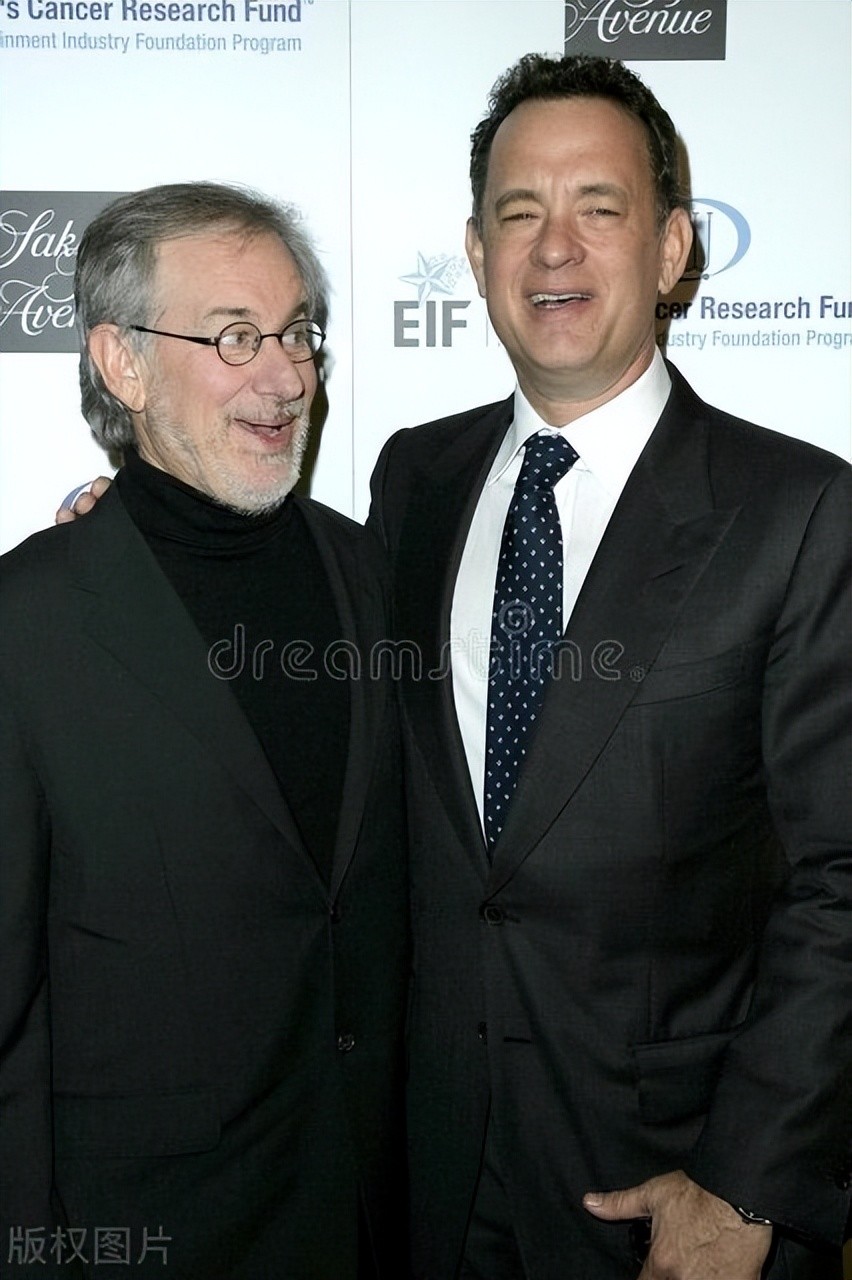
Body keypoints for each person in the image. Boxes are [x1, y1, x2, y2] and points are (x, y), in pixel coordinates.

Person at [367, 54, 852, 1279]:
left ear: (674, 246)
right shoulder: (413, 480)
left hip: (674, 1200)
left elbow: (843, 878)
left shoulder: (799, 510)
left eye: (599, 207)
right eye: (518, 212)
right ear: (475, 252)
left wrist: (748, 1185)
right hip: (426, 1182)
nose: (554, 247)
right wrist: (144, 523)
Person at [0, 182, 408, 1280]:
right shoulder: (27, 624)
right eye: (234, 336)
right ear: (122, 365)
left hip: (377, 1216)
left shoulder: (368, 570)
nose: (285, 377)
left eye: (296, 333)